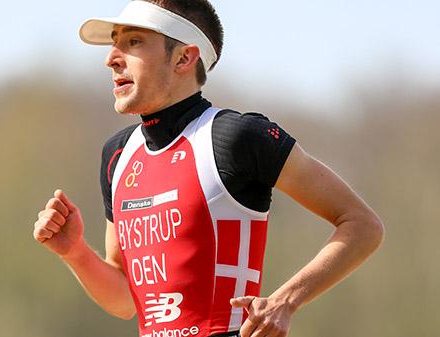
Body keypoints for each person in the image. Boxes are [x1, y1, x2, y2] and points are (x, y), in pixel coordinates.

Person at [33, 1, 385, 336]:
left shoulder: (237, 137)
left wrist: (285, 301)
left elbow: (362, 225)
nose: (111, 59)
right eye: (114, 44)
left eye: (133, 41)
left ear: (185, 57)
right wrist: (74, 252)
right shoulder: (118, 154)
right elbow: (127, 299)